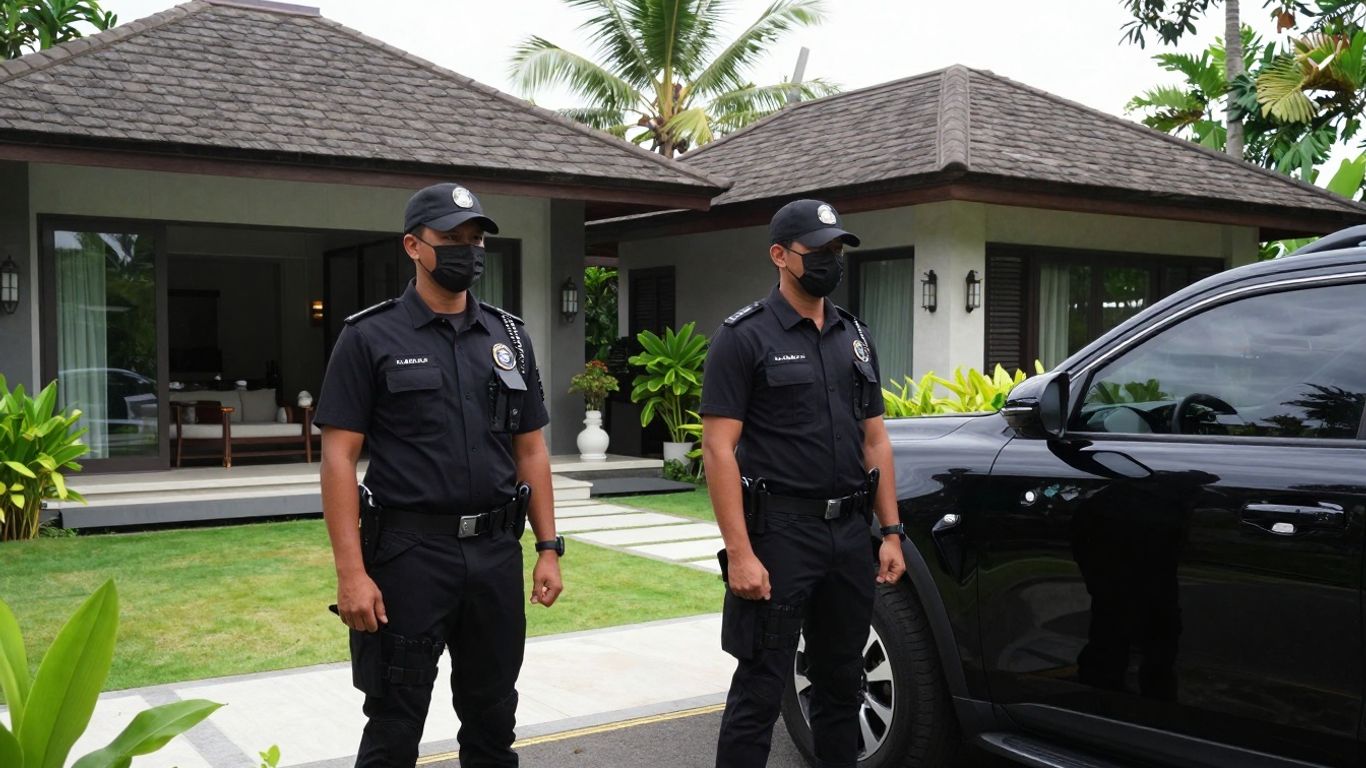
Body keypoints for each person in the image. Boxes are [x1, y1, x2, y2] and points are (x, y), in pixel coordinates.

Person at [314, 182, 565, 768]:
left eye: (475, 239)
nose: (467, 250)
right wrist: (351, 574)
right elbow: (337, 460)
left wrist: (548, 547)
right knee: (395, 723)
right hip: (409, 557)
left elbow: (531, 450)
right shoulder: (368, 336)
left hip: (496, 554)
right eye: (451, 239)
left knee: (493, 719)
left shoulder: (509, 337)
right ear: (413, 246)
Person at [701, 199, 907, 768]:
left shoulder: (855, 336)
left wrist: (890, 531)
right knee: (760, 691)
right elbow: (718, 450)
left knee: (842, 685)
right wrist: (740, 553)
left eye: (836, 250)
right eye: (817, 251)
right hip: (781, 537)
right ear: (779, 256)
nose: (829, 260)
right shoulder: (743, 337)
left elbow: (875, 440)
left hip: (848, 537)